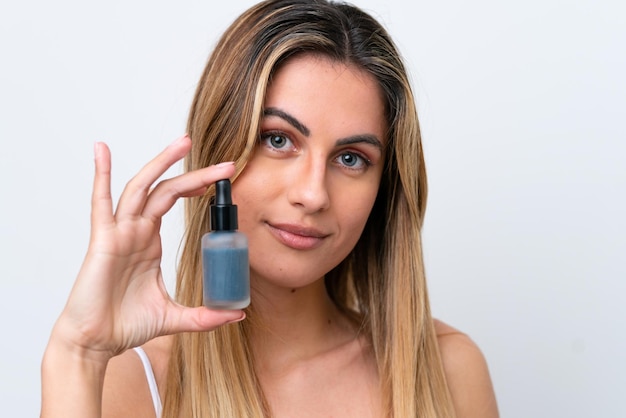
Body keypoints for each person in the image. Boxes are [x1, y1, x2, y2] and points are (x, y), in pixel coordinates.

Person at [41, 0, 498, 417]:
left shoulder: (448, 370)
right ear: (220, 149)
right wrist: (76, 352)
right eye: (278, 140)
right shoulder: (133, 382)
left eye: (351, 158)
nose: (313, 194)